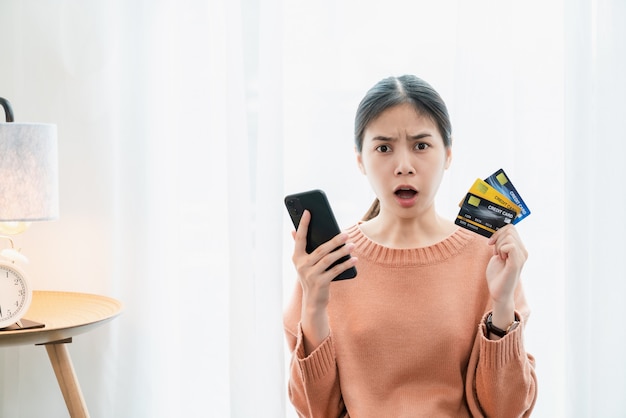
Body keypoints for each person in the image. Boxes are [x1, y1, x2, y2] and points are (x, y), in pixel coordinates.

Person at [283, 75, 537, 417]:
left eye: (421, 145)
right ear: (360, 159)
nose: (404, 166)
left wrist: (503, 304)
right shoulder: (329, 263)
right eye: (383, 148)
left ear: (447, 154)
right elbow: (316, 412)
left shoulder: (490, 256)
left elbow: (507, 410)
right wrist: (313, 304)